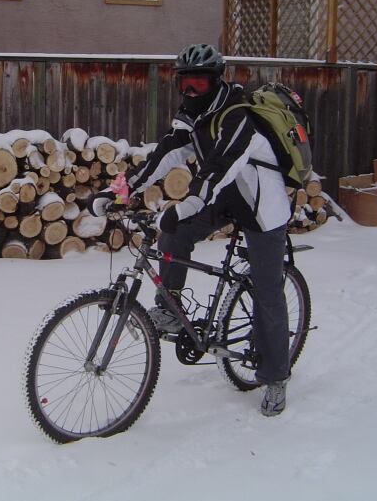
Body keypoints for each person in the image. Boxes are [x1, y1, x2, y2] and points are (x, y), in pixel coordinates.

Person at [89, 44, 292, 416]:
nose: (190, 90)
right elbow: (163, 156)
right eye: (184, 82)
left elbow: (217, 170)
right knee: (174, 234)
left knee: (267, 293)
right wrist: (117, 192)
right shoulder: (192, 115)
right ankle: (169, 308)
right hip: (225, 197)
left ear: (216, 81)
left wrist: (182, 208)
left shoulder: (238, 117)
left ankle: (276, 376)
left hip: (262, 208)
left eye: (198, 82)